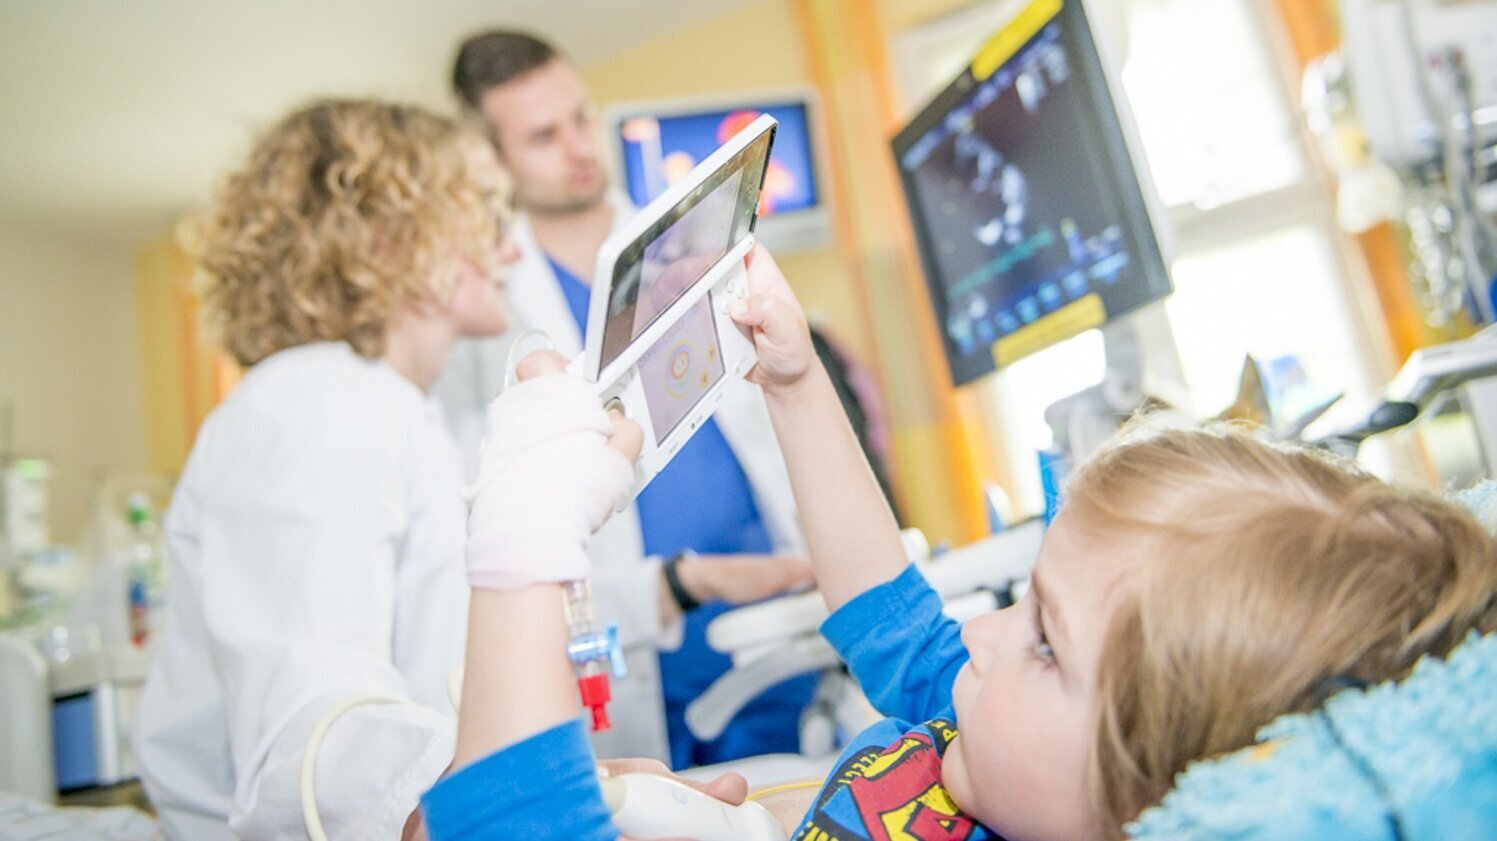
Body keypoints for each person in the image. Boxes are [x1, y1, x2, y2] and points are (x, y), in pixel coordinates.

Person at [419, 244, 1497, 839]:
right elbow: (892, 612)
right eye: (1024, 603)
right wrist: (795, 385)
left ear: (1150, 799)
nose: (978, 637)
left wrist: (520, 539)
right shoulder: (1018, 760)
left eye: (1044, 642)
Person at [131, 99, 516, 840]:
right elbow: (313, 744)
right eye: (486, 217)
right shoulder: (311, 405)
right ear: (392, 234)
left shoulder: (392, 409)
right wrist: (525, 794)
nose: (512, 252)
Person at [438, 29, 814, 767]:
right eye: (544, 135)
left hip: (766, 607)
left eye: (581, 117)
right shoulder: (486, 304)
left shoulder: (685, 231)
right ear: (494, 157)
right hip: (631, 639)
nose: (579, 146)